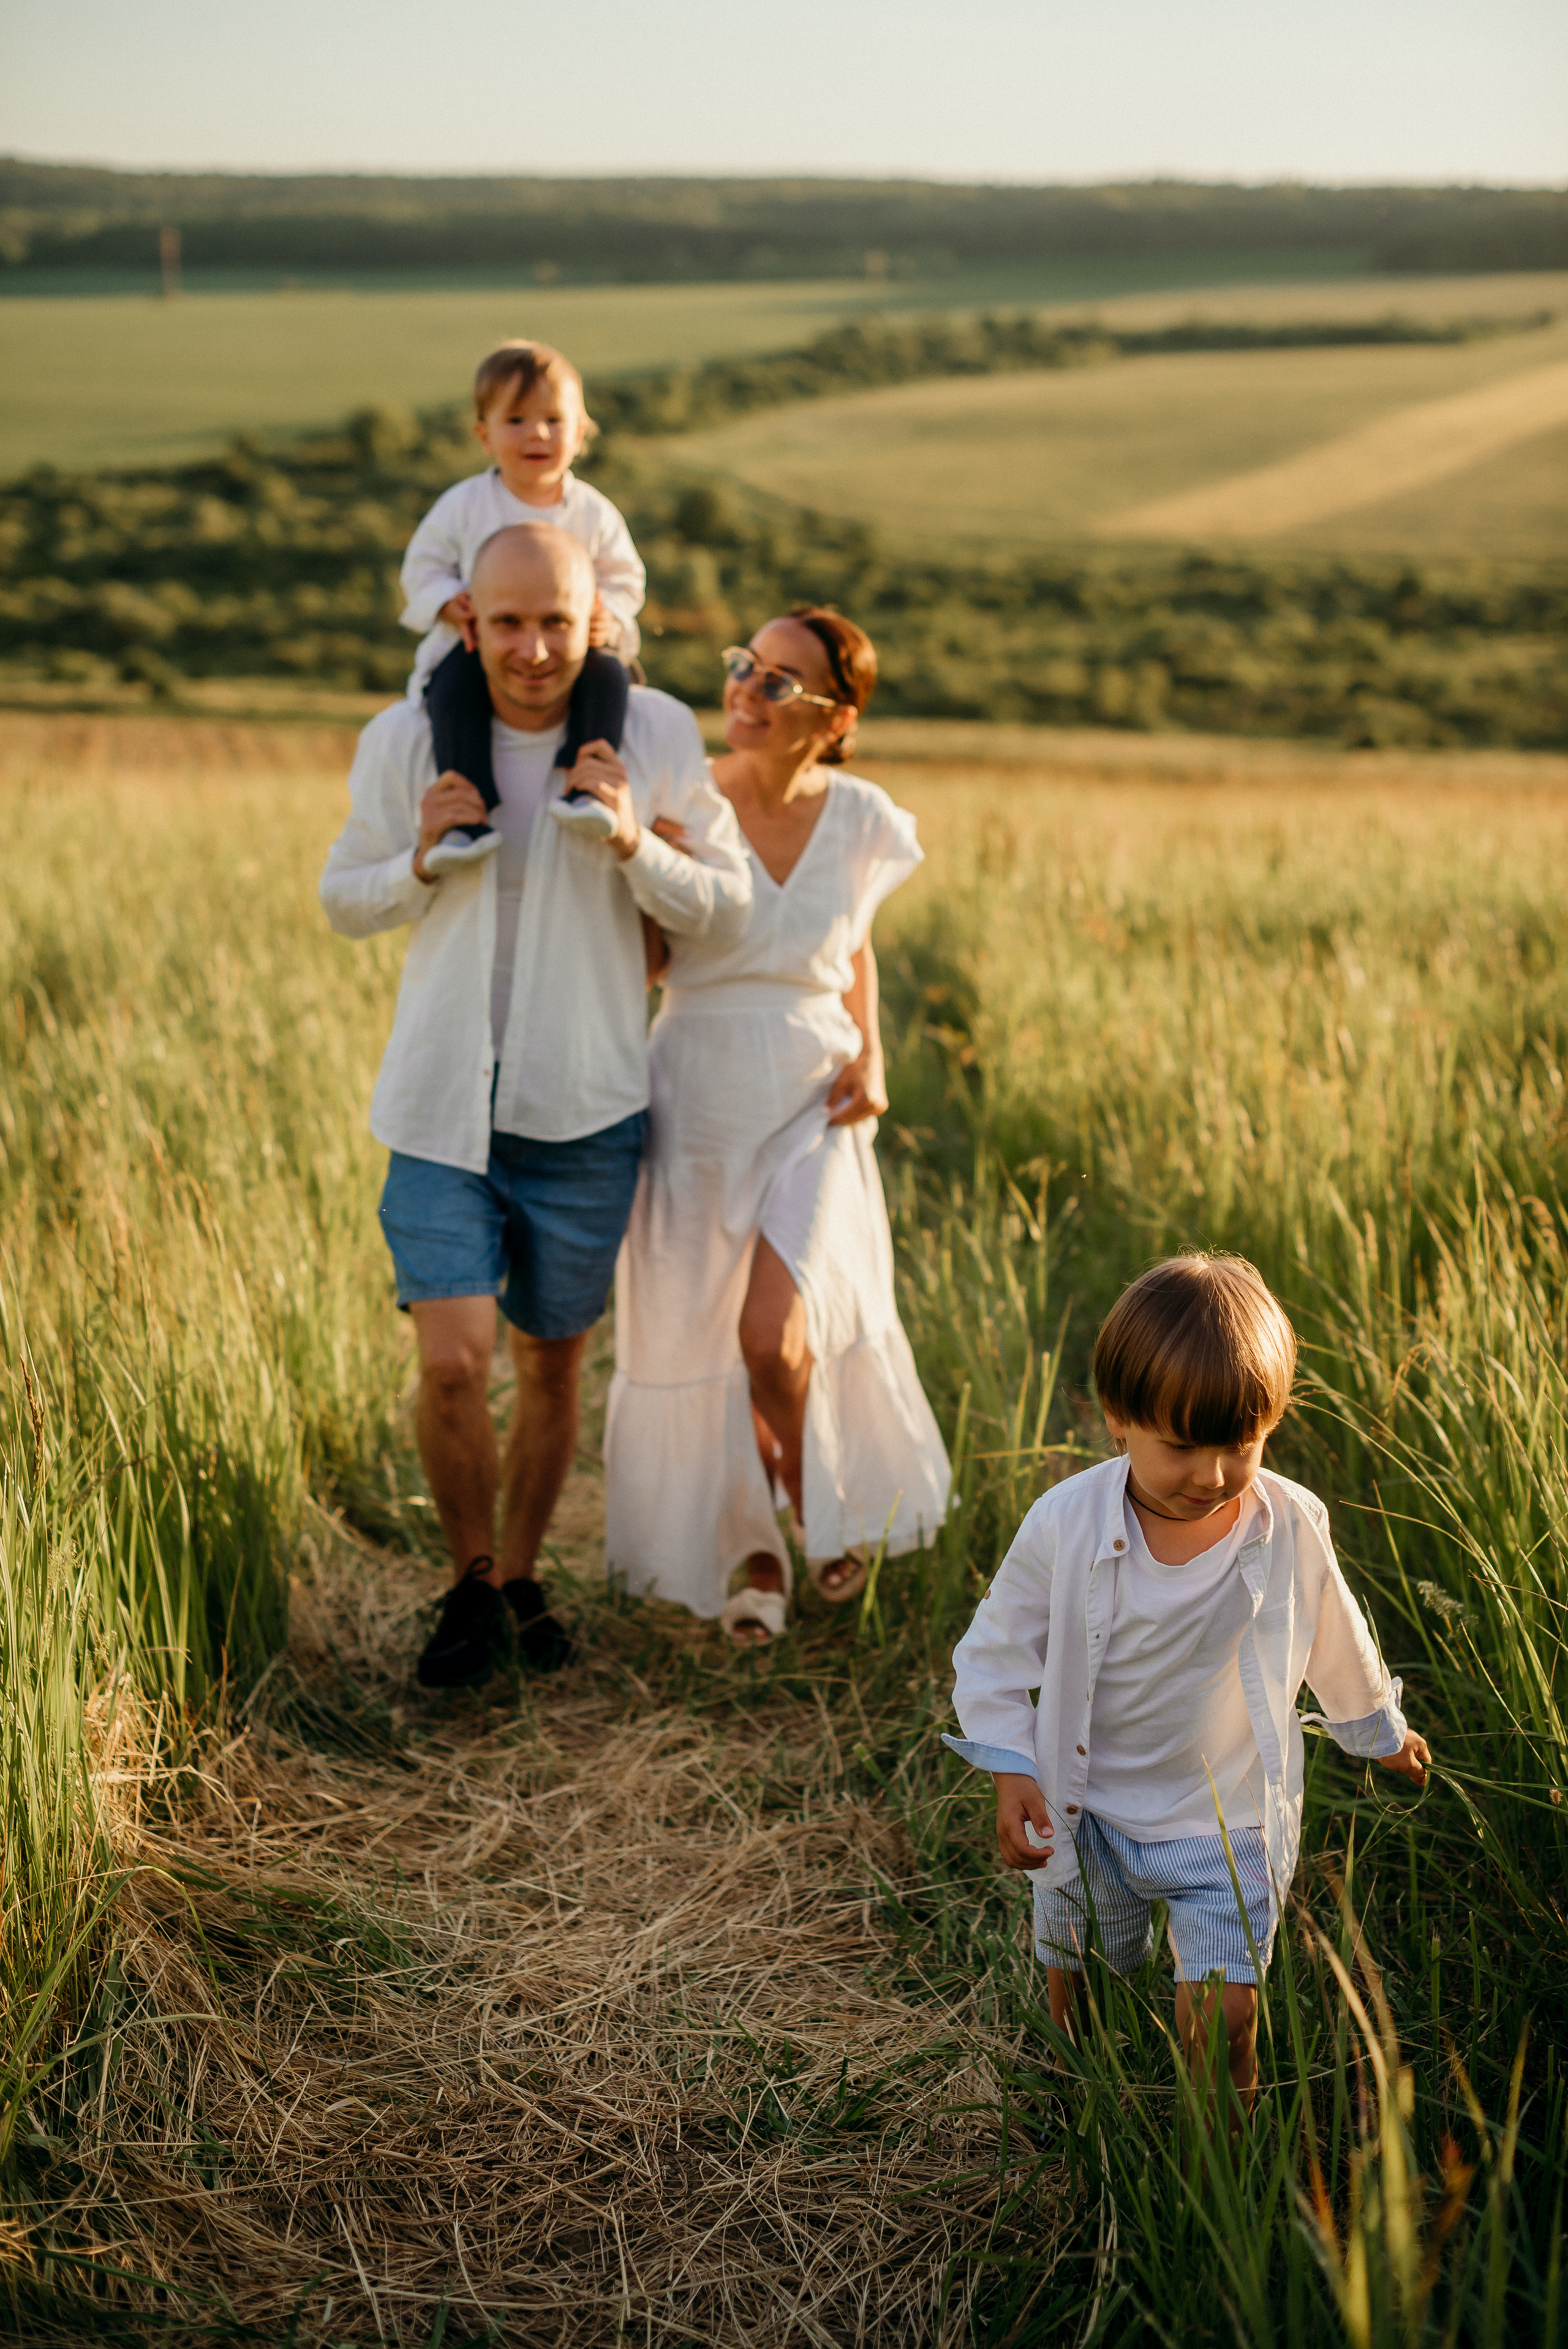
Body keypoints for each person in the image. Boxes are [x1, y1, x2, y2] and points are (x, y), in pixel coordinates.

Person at [320, 524, 752, 1690]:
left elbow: (727, 903)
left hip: (588, 1107)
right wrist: (413, 860)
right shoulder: (407, 738)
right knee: (456, 1361)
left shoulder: (650, 732)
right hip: (439, 1104)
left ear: (594, 619)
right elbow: (341, 898)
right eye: (507, 621)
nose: (532, 647)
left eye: (557, 621)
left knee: (551, 1367)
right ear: (467, 619)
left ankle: (518, 1575)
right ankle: (466, 1584)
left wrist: (629, 845)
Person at [943, 1253, 1430, 2109]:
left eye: (1240, 1445)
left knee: (1226, 2016)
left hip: (1225, 1817)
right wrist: (1012, 1772)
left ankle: (1220, 2157)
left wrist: (1378, 1730)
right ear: (1117, 1419)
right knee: (1081, 1980)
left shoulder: (1289, 1523)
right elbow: (995, 1651)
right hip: (1088, 1811)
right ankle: (1076, 2103)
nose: (1210, 1475)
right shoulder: (1066, 1523)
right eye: (1181, 1447)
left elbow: (1334, 1633)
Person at [605, 608, 951, 1644]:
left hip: (814, 1093)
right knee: (705, 1331)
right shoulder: (683, 799)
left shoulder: (865, 818)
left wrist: (873, 1047)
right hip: (696, 1086)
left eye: (779, 682)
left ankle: (809, 1495)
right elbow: (650, 966)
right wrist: (646, 874)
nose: (747, 692)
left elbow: (855, 947)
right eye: (744, 668)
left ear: (837, 716)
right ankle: (750, 1545)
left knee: (773, 1334)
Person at [398, 339, 647, 871]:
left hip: (577, 649)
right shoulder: (465, 505)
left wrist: (611, 613)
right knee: (453, 693)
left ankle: (591, 788)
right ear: (484, 435)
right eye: (516, 419)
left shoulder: (594, 514)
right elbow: (421, 569)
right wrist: (449, 604)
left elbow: (627, 577)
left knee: (609, 679)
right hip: (480, 647)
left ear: (581, 433)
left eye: (554, 420)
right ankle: (465, 816)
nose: (537, 434)